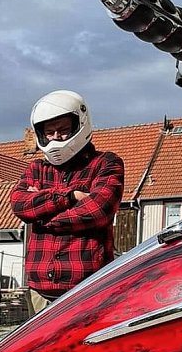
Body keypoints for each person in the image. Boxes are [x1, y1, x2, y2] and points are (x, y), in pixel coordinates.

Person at [10, 90, 124, 315]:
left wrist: (42, 213)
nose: (55, 137)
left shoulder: (106, 163)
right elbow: (19, 205)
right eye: (49, 132)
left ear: (79, 125)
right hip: (40, 292)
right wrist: (70, 197)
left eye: (63, 130)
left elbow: (97, 211)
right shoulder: (36, 168)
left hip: (87, 289)